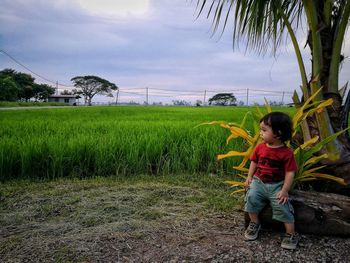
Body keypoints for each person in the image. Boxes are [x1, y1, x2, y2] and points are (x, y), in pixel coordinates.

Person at [244, 111, 300, 250]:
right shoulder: (260, 147)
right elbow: (254, 162)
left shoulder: (287, 153)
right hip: (259, 182)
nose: (260, 133)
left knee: (283, 206)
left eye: (264, 130)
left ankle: (291, 233)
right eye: (260, 129)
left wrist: (285, 190)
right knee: (251, 198)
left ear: (278, 133)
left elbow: (290, 172)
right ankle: (255, 223)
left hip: (277, 185)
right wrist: (250, 176)